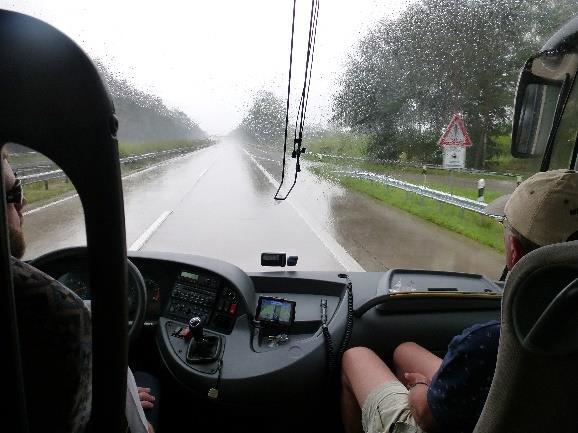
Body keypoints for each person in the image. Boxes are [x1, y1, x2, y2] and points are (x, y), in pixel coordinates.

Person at [341, 169, 578, 433]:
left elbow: (425, 416)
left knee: (355, 356)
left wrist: (422, 389)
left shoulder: (487, 342)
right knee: (404, 349)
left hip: (442, 417)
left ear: (514, 252)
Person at [1, 149, 158, 433]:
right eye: (12, 194)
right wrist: (125, 401)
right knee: (150, 385)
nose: (23, 201)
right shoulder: (58, 312)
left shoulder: (23, 286)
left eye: (20, 187)